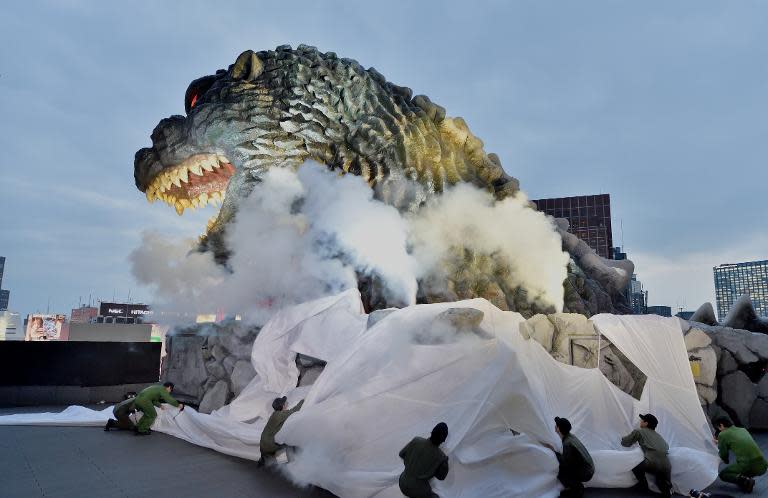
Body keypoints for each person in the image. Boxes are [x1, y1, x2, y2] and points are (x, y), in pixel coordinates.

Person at [621, 413, 672, 497]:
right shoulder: (659, 436)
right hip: (667, 465)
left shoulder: (639, 431)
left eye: (642, 420)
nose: (640, 421)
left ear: (646, 423)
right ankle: (665, 489)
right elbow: (666, 447)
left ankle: (644, 487)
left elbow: (625, 443)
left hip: (652, 462)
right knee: (663, 485)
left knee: (635, 467)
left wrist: (623, 438)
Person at [542, 417, 595, 498]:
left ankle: (577, 488)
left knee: (561, 471)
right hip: (589, 468)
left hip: (587, 472)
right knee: (565, 468)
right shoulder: (571, 436)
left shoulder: (567, 443)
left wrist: (553, 451)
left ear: (558, 429)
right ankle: (575, 486)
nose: (555, 426)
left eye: (556, 425)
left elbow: (565, 463)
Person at [713, 416, 767, 493]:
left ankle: (746, 481)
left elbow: (724, 455)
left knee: (723, 474)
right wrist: (721, 442)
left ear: (721, 425)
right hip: (762, 465)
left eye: (718, 427)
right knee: (740, 471)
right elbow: (737, 441)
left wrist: (725, 460)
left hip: (749, 465)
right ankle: (745, 480)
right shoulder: (742, 429)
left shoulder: (723, 434)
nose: (719, 429)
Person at [398, 422, 450, 498]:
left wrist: (411, 464)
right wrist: (444, 464)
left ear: (432, 432)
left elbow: (401, 454)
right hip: (418, 490)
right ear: (443, 440)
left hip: (402, 482)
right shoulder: (441, 457)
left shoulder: (416, 440)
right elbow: (441, 477)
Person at [258, 396, 304, 465]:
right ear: (282, 406)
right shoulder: (280, 415)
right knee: (287, 447)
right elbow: (295, 410)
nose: (286, 404)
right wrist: (303, 401)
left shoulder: (274, 414)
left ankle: (262, 463)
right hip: (269, 445)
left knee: (266, 458)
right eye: (284, 403)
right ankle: (283, 465)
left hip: (263, 444)